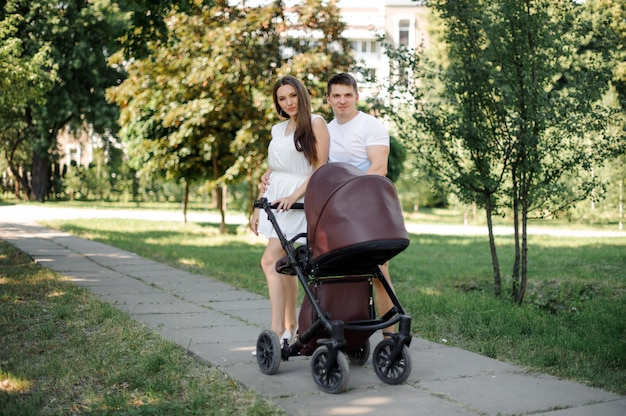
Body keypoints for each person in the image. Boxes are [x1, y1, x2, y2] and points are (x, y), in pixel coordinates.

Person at [249, 75, 330, 344]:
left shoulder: (316, 123)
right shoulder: (278, 129)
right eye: (282, 99)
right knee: (286, 264)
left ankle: (275, 331)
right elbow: (274, 168)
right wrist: (259, 205)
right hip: (274, 201)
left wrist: (294, 195)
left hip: (298, 201)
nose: (288, 102)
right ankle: (290, 326)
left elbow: (320, 168)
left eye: (292, 96)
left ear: (301, 95)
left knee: (269, 260)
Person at [325, 72, 396, 335]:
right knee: (343, 270)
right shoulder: (326, 130)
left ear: (357, 97)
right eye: (336, 96)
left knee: (378, 270)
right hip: (337, 210)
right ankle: (352, 333)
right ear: (328, 99)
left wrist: (345, 191)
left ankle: (391, 337)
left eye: (347, 95)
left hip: (369, 205)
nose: (342, 101)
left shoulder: (371, 125)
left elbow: (379, 168)